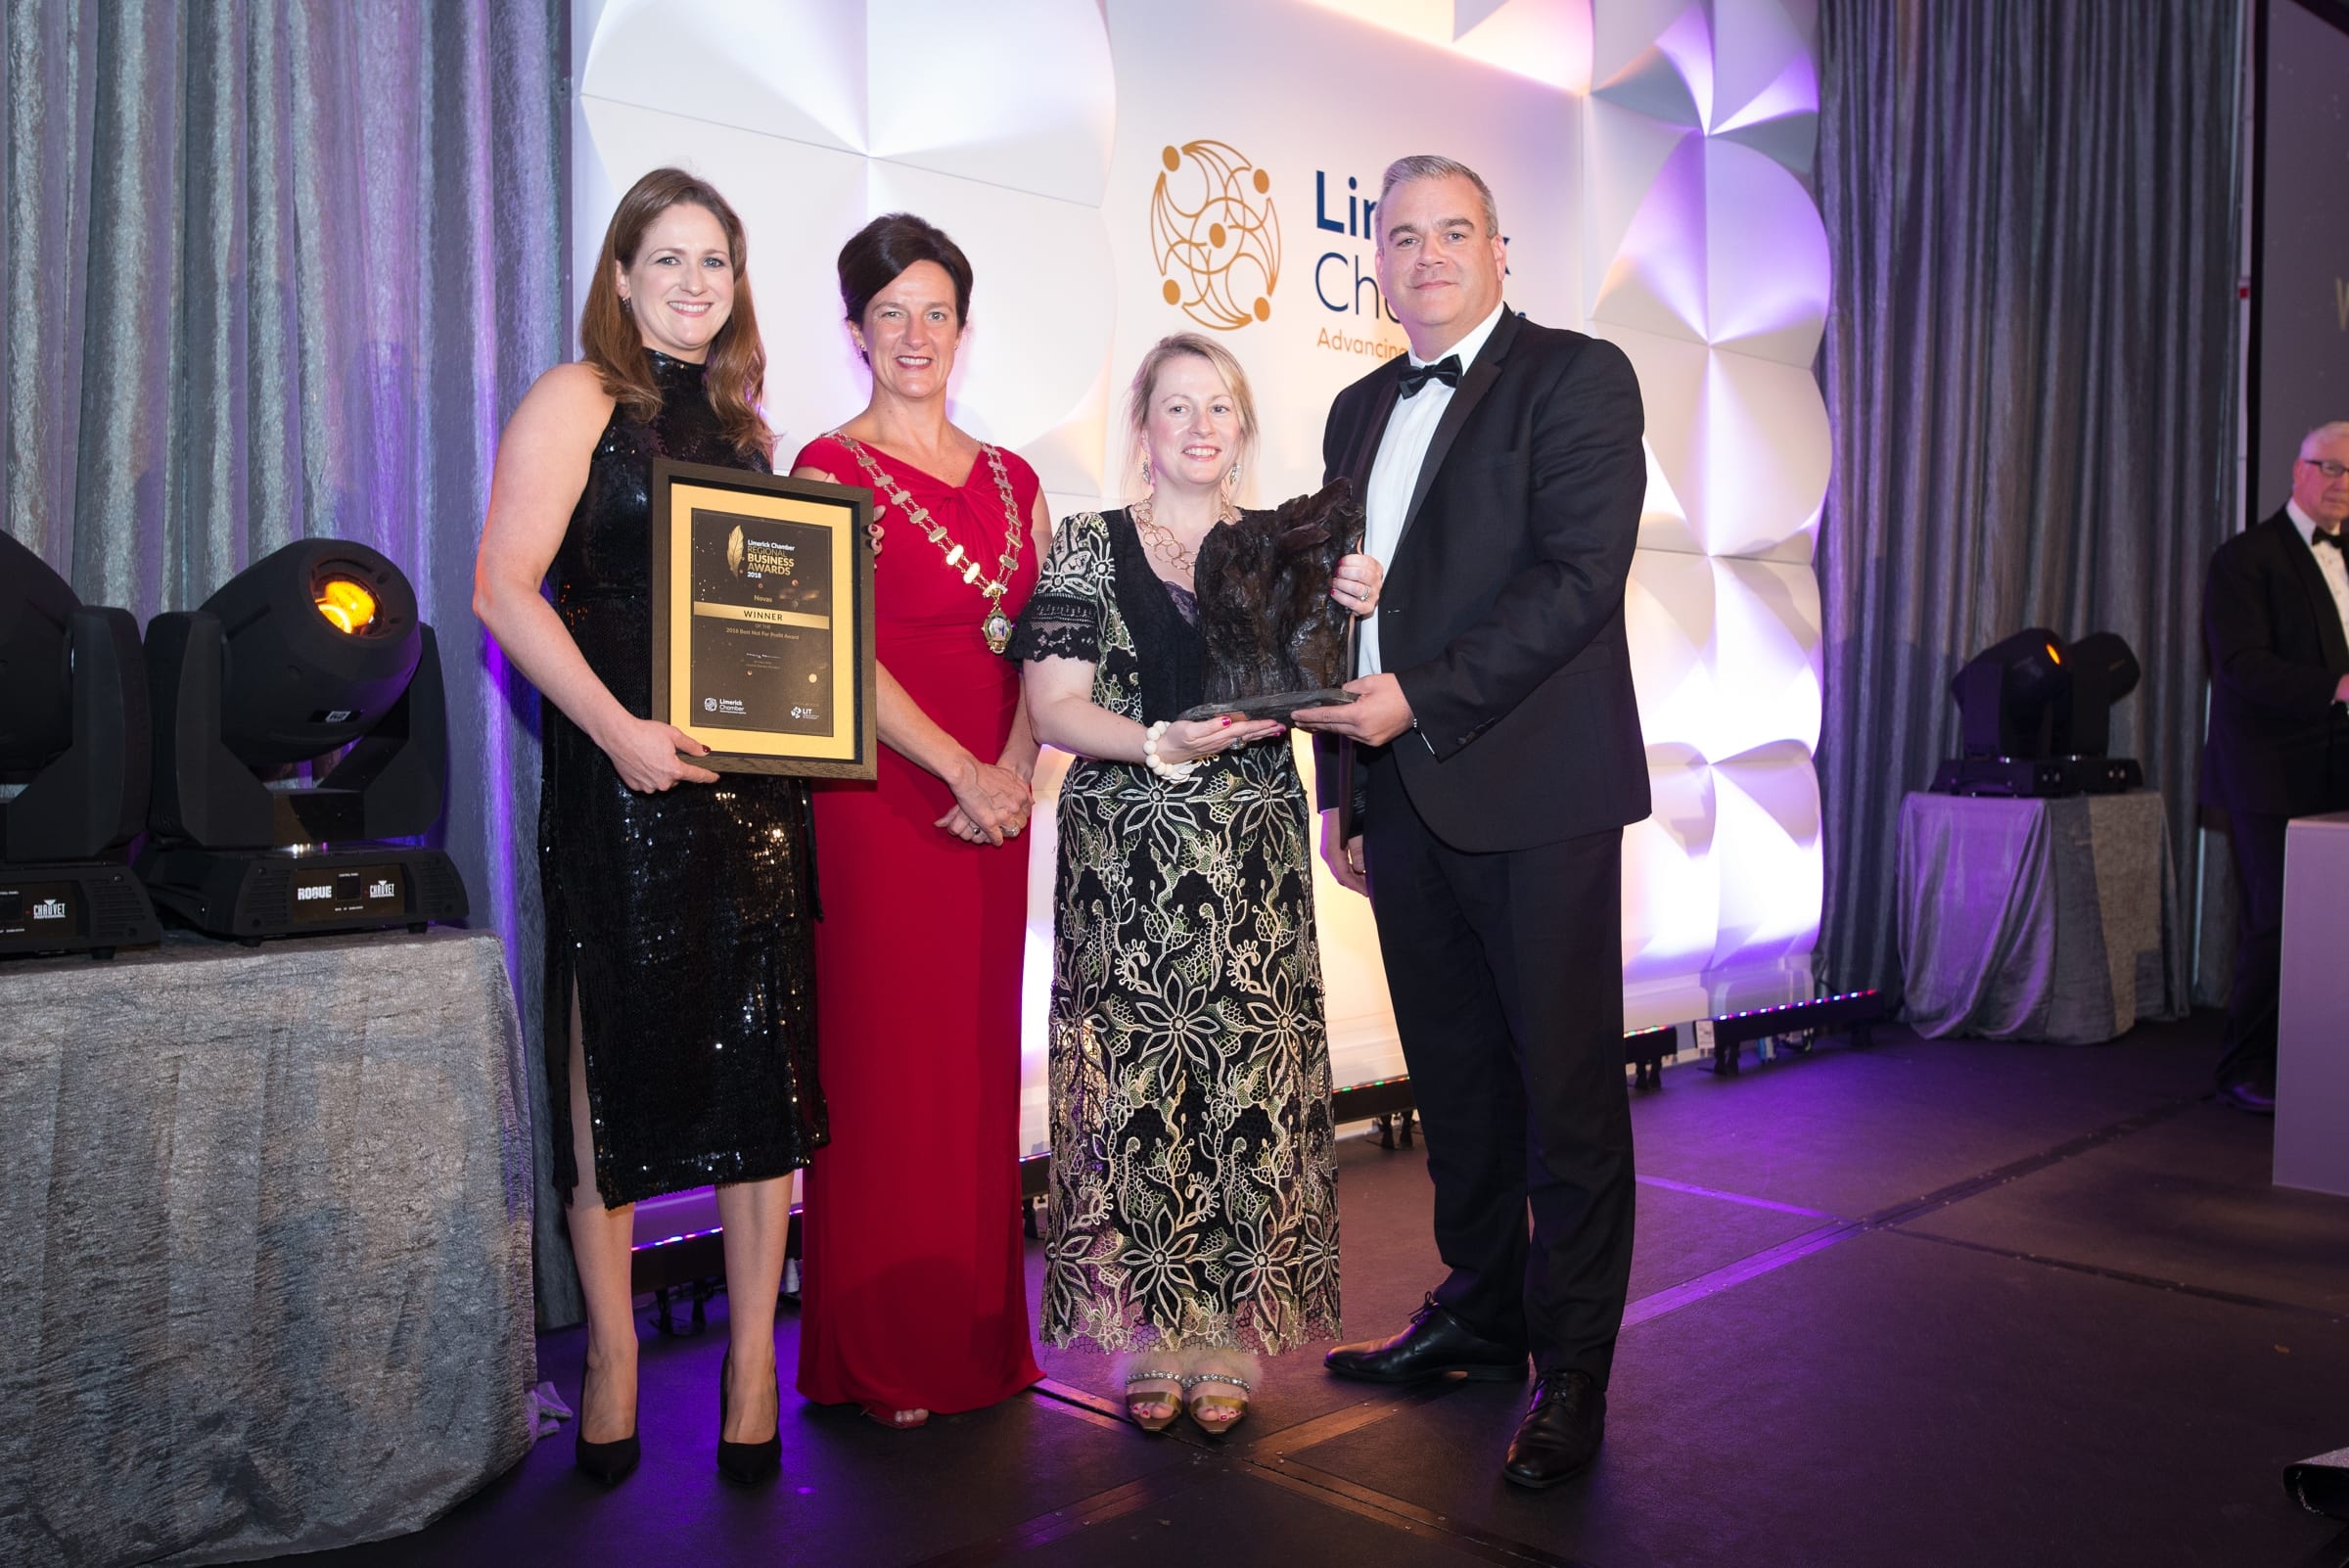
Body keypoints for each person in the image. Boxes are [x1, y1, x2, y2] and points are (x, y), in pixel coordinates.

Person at [1290, 155, 1649, 1490]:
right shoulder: (1351, 407)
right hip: (1404, 797)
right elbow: (1341, 613)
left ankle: (1576, 1366)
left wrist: (1418, 703)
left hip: (1540, 792)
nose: (1427, 254)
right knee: (1456, 1080)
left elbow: (1576, 583)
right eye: (1402, 236)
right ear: (1373, 263)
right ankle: (1483, 1306)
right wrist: (1347, 786)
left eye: (1454, 231)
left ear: (1502, 251)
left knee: (1563, 1095)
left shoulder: (1577, 377)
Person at [473, 167, 822, 1487]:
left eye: (714, 264)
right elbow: (503, 588)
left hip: (753, 810)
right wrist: (621, 728)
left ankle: (747, 1367)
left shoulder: (748, 434)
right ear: (619, 277)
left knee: (761, 1092)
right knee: (608, 1082)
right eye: (666, 260)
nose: (691, 285)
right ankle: (611, 1357)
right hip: (616, 793)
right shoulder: (579, 399)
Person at [1015, 334, 1382, 1434]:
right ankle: (1152, 1326)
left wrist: (1362, 598)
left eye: (1219, 406)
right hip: (1125, 855)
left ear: (1241, 428)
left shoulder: (1281, 551)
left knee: (1245, 1087)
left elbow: (1327, 692)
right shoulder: (1085, 546)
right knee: (1134, 1088)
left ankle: (1223, 1329)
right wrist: (1158, 744)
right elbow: (1054, 710)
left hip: (1252, 852)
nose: (1200, 425)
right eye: (1176, 407)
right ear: (1143, 430)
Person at [787, 213, 1047, 1428]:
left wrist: (1015, 767)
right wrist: (960, 769)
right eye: (889, 314)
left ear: (963, 326)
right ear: (853, 334)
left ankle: (980, 1336)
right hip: (887, 804)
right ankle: (885, 1351)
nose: (915, 335)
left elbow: (1048, 651)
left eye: (935, 311)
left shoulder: (1016, 478)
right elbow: (836, 648)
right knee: (888, 1065)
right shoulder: (824, 472)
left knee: (979, 1062)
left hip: (998, 803)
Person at [2200, 421, 2349, 1115]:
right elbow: (2241, 666)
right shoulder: (2246, 558)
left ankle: (2315, 1059)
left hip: (2336, 764)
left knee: (2330, 923)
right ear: (2297, 472)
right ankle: (2243, 1067)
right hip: (2267, 770)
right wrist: (2336, 688)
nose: (2342, 485)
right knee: (2278, 919)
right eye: (2331, 468)